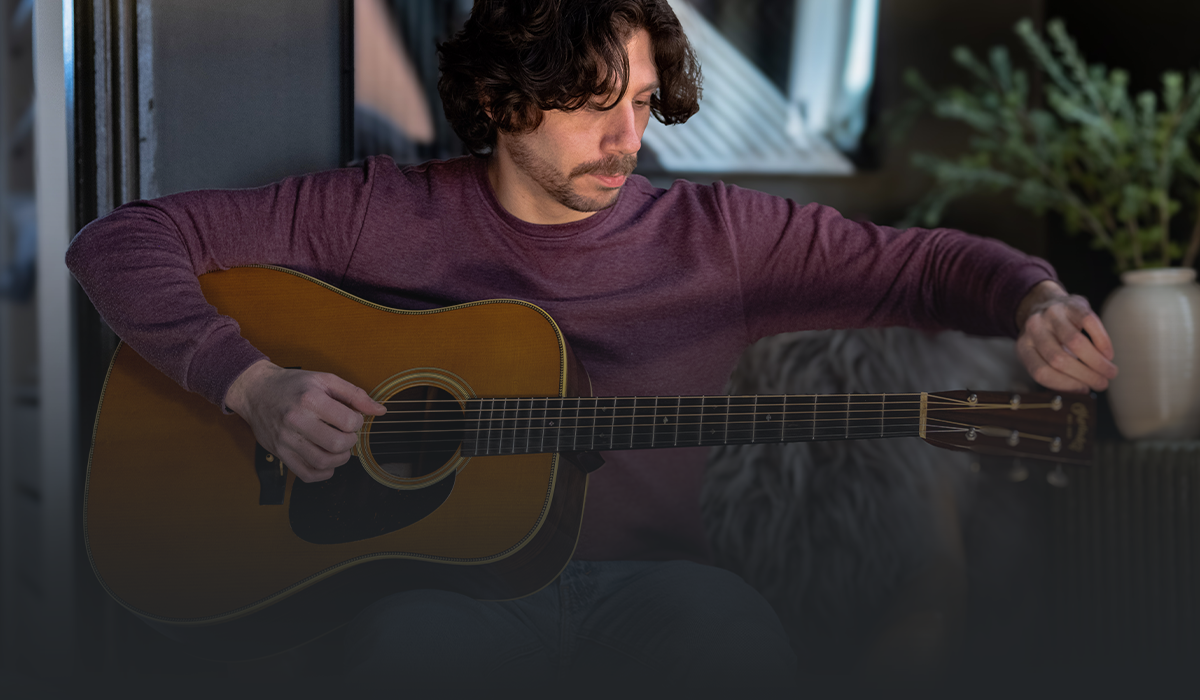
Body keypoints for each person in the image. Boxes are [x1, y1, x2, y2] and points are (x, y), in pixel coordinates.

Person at [66, 0, 1117, 693]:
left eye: (646, 105)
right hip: (435, 599)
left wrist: (1031, 297)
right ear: (500, 97)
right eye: (594, 105)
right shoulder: (377, 211)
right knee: (407, 656)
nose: (630, 140)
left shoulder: (721, 237)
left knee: (738, 643)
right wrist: (251, 384)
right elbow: (121, 241)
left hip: (666, 586)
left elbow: (923, 267)